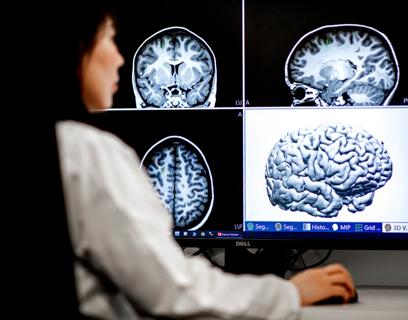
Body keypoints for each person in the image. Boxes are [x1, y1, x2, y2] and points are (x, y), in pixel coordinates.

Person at [54, 1, 356, 319]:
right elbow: (170, 290)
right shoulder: (85, 152)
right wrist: (291, 293)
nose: (119, 59)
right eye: (109, 40)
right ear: (74, 50)